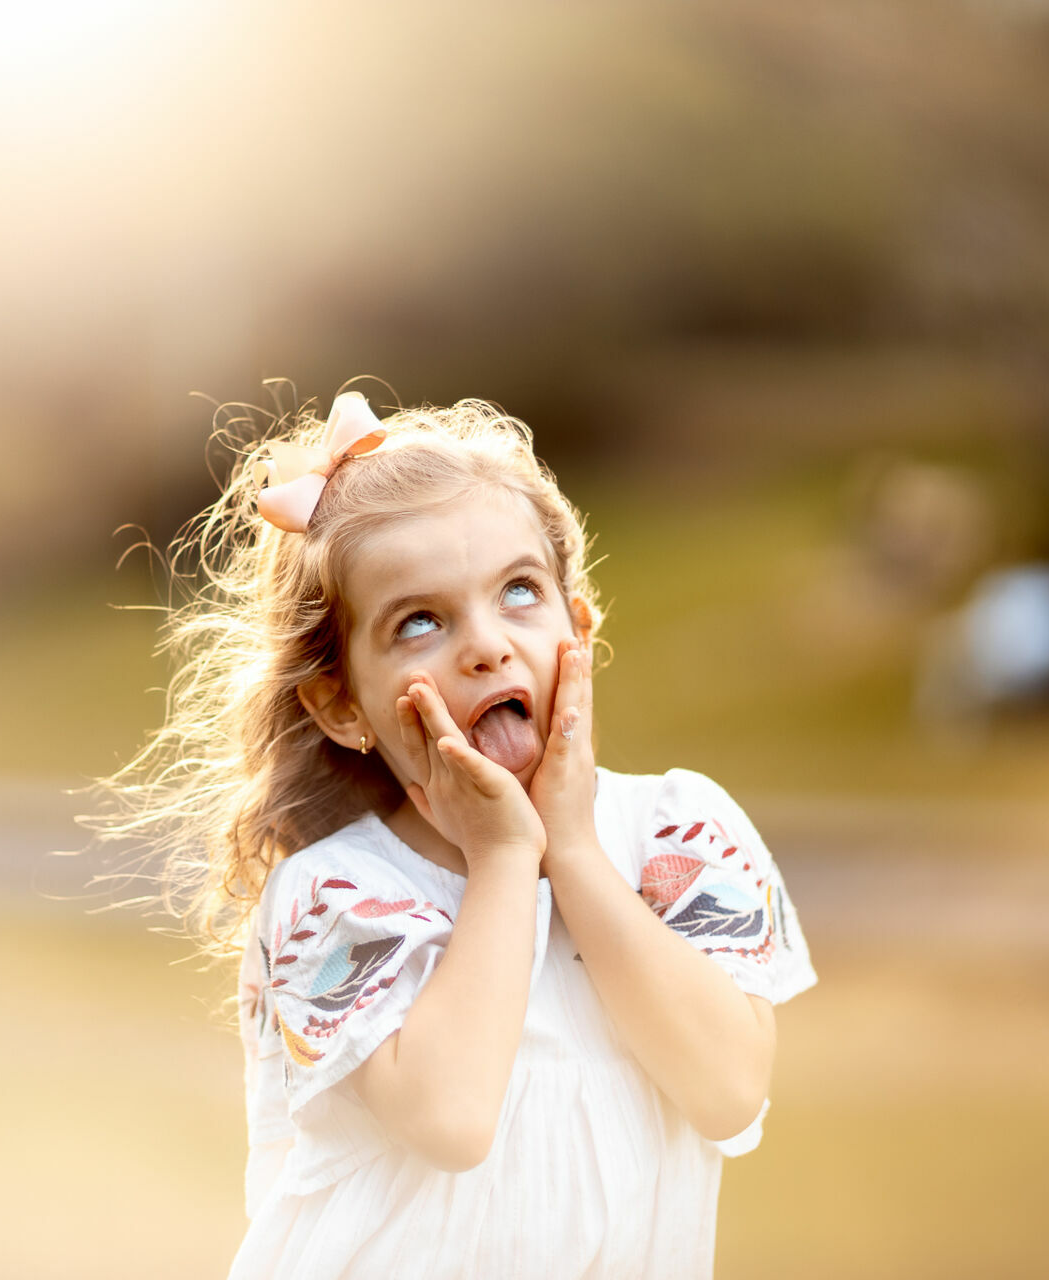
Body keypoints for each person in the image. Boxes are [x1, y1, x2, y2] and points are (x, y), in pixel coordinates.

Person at [96, 390, 816, 1278]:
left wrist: (572, 850)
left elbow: (728, 1089)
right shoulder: (337, 894)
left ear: (578, 628)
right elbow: (451, 1119)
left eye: (519, 592)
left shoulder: (677, 828)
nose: (486, 646)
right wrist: (506, 857)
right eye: (420, 622)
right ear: (341, 704)